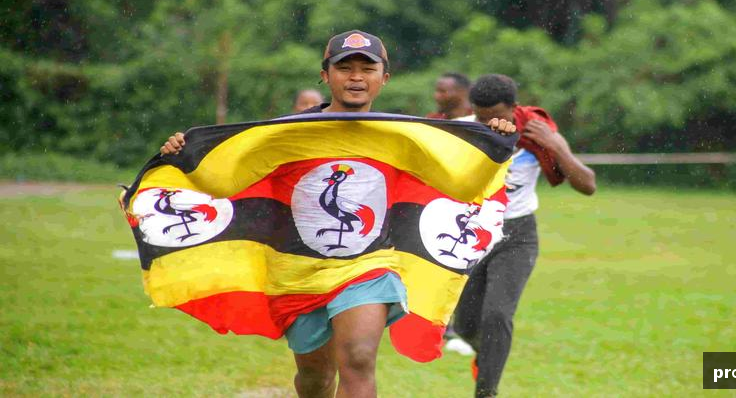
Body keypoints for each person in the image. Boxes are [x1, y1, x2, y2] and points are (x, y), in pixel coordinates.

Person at [160, 31, 516, 398]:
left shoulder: (401, 135)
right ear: (325, 75)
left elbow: (460, 186)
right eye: (344, 68)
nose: (356, 77)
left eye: (367, 68)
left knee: (359, 359)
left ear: (384, 78)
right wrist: (183, 159)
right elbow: (225, 184)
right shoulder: (286, 132)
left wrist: (494, 149)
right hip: (296, 273)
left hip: (368, 266)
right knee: (316, 379)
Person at [453, 74, 596, 398]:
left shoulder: (537, 134)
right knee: (464, 326)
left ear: (514, 108)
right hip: (472, 232)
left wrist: (555, 145)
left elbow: (588, 185)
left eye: (495, 116)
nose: (488, 123)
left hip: (516, 235)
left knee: (497, 314)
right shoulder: (462, 131)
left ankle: (486, 391)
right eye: (480, 116)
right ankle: (488, 354)